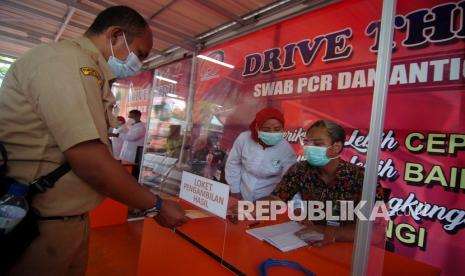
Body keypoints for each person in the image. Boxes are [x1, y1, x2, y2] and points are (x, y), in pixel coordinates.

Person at [0, 6, 186, 276]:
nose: (140, 64)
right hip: (38, 225)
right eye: (140, 54)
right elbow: (90, 161)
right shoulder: (65, 63)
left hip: (66, 220)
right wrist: (155, 205)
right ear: (115, 36)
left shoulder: (85, 69)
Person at [267, 120, 386, 247]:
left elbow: (376, 233)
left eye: (317, 143)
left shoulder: (362, 178)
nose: (309, 148)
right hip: (308, 242)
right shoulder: (300, 170)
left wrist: (328, 232)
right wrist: (251, 209)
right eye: (307, 142)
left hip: (352, 250)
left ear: (336, 147)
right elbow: (276, 199)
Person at [225, 107, 297, 202]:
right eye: (266, 129)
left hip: (268, 198)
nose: (272, 133)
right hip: (242, 192)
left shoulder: (286, 150)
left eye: (277, 129)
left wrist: (274, 201)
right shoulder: (244, 139)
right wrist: (235, 190)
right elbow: (233, 163)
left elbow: (290, 180)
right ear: (257, 127)